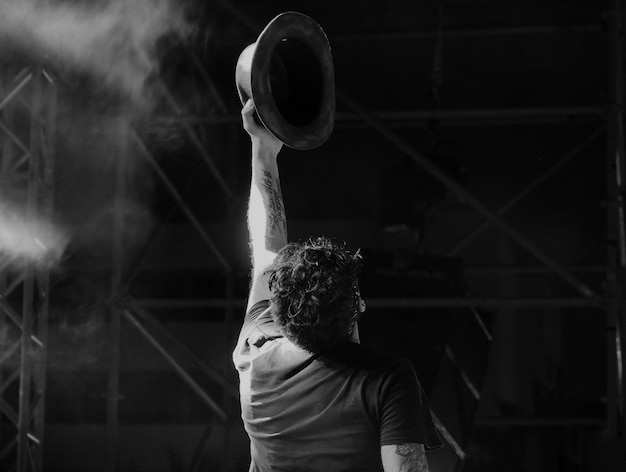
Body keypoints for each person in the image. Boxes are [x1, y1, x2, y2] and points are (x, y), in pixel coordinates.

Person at [233, 99, 442, 472]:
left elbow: (266, 245)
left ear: (280, 315)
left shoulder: (255, 354)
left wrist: (262, 150)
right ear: (357, 306)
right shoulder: (387, 379)